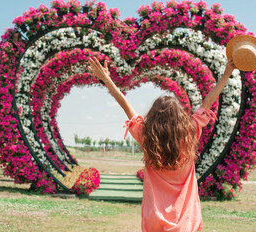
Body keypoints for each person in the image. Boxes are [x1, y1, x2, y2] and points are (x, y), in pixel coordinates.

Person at [88, 57, 236, 232]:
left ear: (154, 117)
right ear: (180, 117)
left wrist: (107, 80)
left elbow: (126, 106)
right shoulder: (190, 133)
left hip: (154, 220)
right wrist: (227, 74)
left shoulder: (146, 137)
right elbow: (208, 103)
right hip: (186, 222)